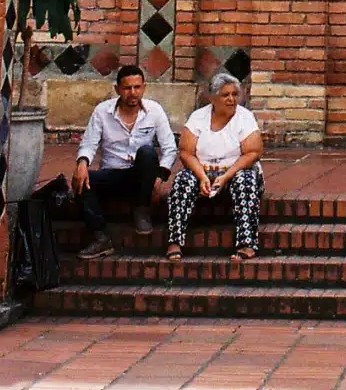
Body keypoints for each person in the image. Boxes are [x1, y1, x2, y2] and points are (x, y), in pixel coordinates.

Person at [72, 63, 177, 259]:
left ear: (144, 87)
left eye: (137, 87)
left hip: (142, 179)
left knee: (147, 152)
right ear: (117, 89)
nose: (133, 93)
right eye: (127, 88)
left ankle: (141, 210)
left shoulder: (154, 110)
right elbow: (89, 144)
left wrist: (161, 176)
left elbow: (169, 147)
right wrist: (82, 163)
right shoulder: (102, 111)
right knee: (80, 181)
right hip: (113, 174)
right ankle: (101, 237)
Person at [166, 71, 264, 260]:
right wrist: (202, 176)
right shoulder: (198, 117)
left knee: (245, 179)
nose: (231, 99)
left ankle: (247, 244)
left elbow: (253, 152)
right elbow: (186, 152)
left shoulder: (245, 117)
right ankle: (175, 241)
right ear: (212, 98)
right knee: (183, 180)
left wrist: (226, 176)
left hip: (234, 173)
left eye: (234, 94)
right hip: (204, 173)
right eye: (225, 95)